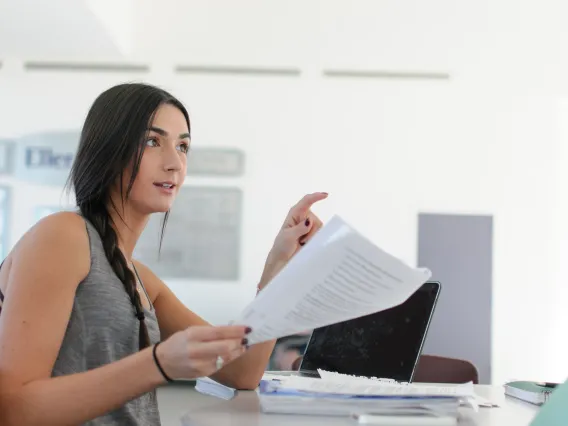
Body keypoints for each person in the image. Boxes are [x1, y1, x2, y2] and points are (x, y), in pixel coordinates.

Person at [0, 83, 327, 426]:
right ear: (109, 151)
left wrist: (278, 266)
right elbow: (12, 408)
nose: (175, 163)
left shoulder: (140, 279)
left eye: (183, 146)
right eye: (152, 141)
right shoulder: (63, 236)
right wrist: (158, 363)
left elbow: (242, 371)